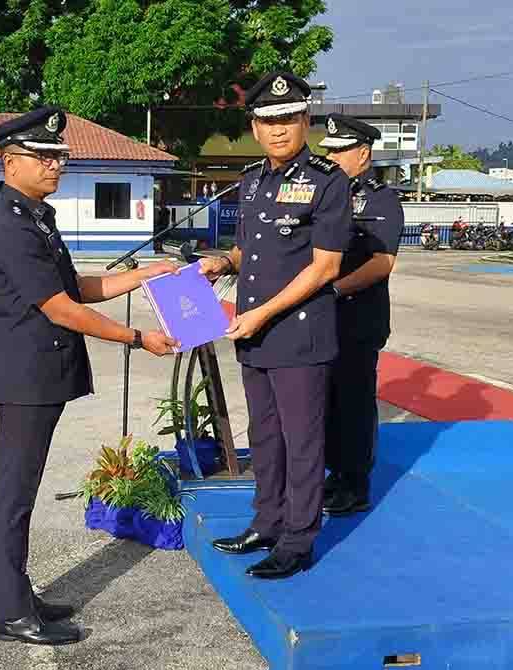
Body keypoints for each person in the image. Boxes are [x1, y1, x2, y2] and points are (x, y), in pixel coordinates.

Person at [0, 107, 179, 644]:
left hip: (42, 372)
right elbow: (61, 309)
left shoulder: (37, 217)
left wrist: (147, 274)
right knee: (14, 493)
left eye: (59, 156)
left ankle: (20, 595)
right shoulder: (9, 226)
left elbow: (80, 288)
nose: (55, 165)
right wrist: (137, 339)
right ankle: (10, 612)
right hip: (26, 376)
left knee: (22, 488)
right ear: (10, 161)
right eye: (43, 156)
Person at [202, 71, 352, 579]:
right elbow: (254, 251)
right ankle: (266, 522)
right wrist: (222, 263)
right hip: (255, 331)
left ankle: (297, 539)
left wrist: (262, 313)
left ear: (306, 121)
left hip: (299, 333)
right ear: (254, 127)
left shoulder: (328, 182)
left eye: (289, 119)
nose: (279, 130)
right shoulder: (253, 180)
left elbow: (326, 266)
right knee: (263, 433)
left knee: (302, 439)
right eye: (268, 121)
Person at [317, 114, 404, 516]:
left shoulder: (380, 199)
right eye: (329, 151)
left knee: (353, 404)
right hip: (321, 319)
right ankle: (334, 475)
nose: (331, 157)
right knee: (325, 403)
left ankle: (355, 484)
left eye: (339, 151)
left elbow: (381, 263)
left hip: (356, 319)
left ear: (363, 154)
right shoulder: (324, 196)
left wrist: (332, 288)